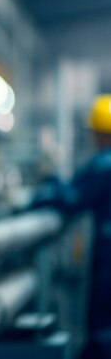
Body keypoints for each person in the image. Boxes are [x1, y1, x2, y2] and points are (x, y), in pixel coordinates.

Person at [28, 94, 111, 358]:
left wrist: (40, 195)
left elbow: (71, 196)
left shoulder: (105, 165)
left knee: (102, 330)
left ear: (99, 133)